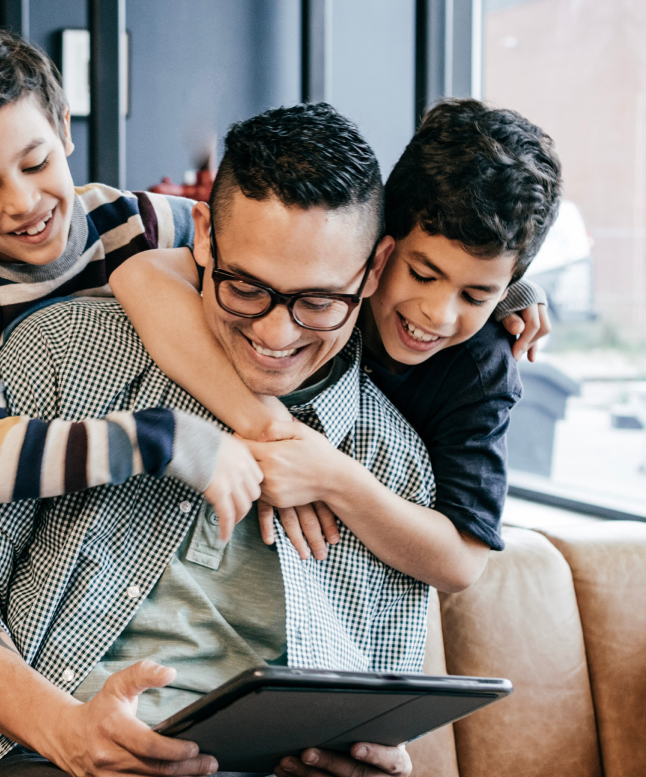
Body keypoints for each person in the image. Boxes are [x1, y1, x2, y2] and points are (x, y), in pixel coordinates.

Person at [0, 104, 428, 777]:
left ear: (373, 271)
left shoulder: (392, 467)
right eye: (244, 288)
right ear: (201, 237)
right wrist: (64, 730)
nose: (276, 335)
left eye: (318, 302)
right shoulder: (63, 352)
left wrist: (373, 762)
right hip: (42, 755)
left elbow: (388, 704)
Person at [110, 98, 562, 592]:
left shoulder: (480, 368)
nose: (439, 313)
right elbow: (141, 272)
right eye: (422, 274)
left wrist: (332, 478)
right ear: (380, 245)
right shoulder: (310, 250)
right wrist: (270, 428)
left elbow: (462, 561)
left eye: (475, 295)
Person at [0, 27, 262, 562]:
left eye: (36, 163)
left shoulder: (138, 223)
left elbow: (250, 255)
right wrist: (166, 438)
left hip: (69, 511)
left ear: (63, 128)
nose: (23, 203)